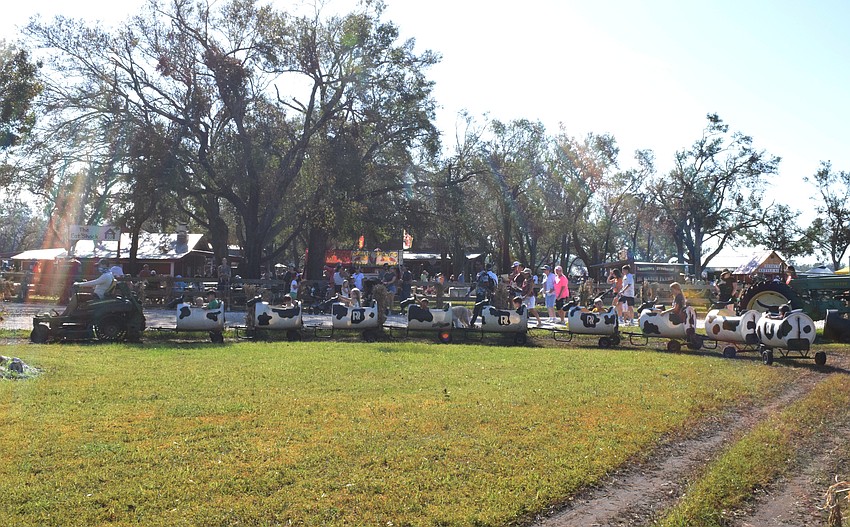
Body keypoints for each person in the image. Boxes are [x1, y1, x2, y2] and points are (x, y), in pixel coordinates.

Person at [469, 263, 497, 327]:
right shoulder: (478, 274)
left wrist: (479, 284)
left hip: (483, 294)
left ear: (482, 265)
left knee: (478, 308)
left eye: (478, 264)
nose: (476, 266)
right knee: (478, 309)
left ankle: (472, 323)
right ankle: (473, 323)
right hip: (479, 293)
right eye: (476, 265)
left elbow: (486, 284)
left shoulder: (484, 274)